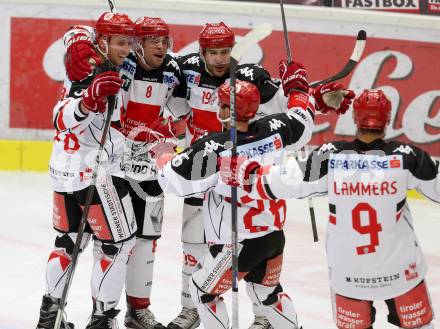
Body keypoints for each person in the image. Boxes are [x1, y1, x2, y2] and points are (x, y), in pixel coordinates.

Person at [230, 89, 440, 329]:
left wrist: (249, 172)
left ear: (355, 118)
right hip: (401, 271)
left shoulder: (331, 155)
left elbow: (282, 181)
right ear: (388, 118)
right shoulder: (408, 157)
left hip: (349, 273)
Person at [156, 60, 318, 329]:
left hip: (236, 244)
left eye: (220, 104)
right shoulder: (276, 128)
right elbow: (303, 119)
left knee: (202, 291)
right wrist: (297, 87)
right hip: (272, 237)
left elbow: (173, 181)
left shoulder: (214, 147)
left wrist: (161, 153)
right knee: (266, 293)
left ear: (225, 109)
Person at [63, 16, 186, 329]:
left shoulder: (174, 69)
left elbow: (186, 114)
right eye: (152, 40)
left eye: (165, 39)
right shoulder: (120, 58)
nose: (161, 45)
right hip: (115, 165)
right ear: (137, 42)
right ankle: (102, 312)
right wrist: (76, 39)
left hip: (149, 168)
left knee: (147, 242)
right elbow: (86, 32)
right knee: (109, 242)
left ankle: (138, 310)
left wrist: (170, 132)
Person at [37, 12, 137, 329]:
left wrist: (78, 38)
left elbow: (77, 30)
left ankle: (49, 316)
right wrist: (90, 100)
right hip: (93, 175)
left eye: (130, 42)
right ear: (103, 42)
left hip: (62, 170)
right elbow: (62, 116)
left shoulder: (87, 54)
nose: (128, 49)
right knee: (116, 246)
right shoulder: (89, 74)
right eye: (121, 43)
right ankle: (102, 321)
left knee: (67, 243)